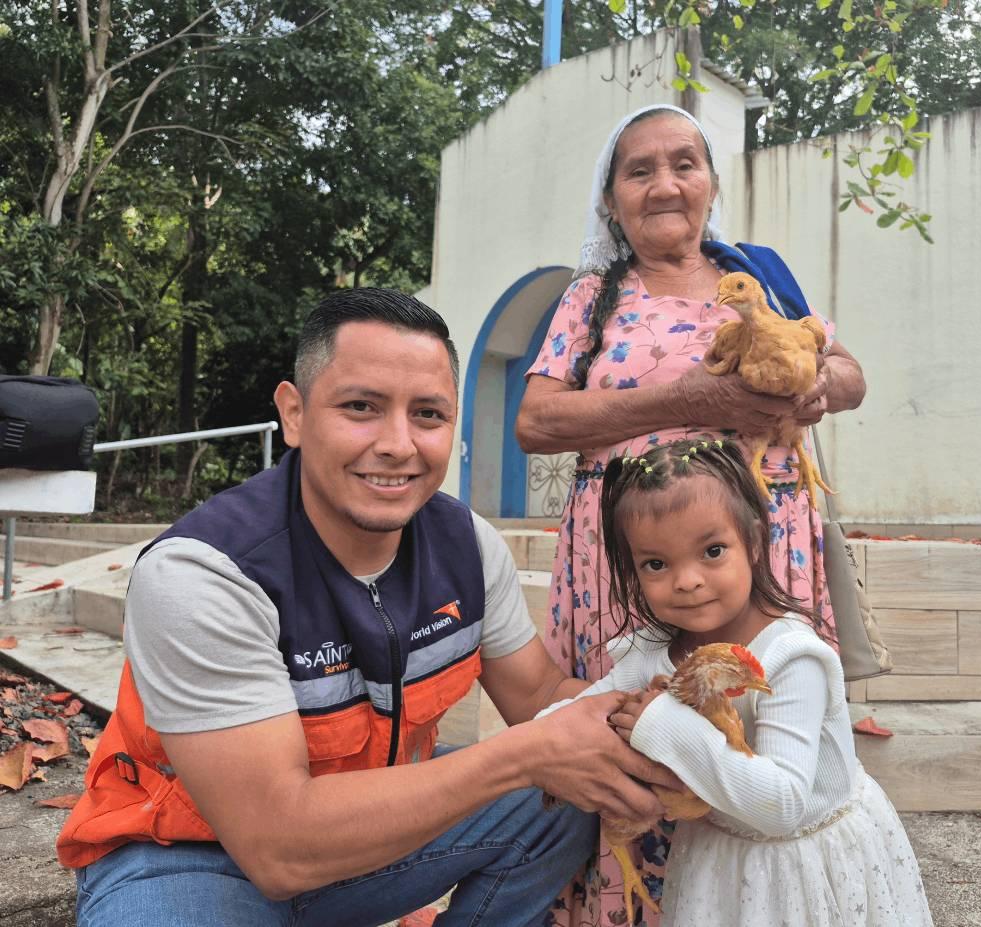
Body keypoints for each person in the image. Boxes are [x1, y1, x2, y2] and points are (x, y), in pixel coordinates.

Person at [56, 288, 685, 927]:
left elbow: (544, 696)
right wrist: (525, 754)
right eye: (361, 407)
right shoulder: (207, 573)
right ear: (294, 414)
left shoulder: (466, 547)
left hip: (365, 843)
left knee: (562, 798)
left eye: (429, 415)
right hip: (187, 857)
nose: (397, 444)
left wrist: (672, 727)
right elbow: (278, 846)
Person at [515, 104, 867, 925]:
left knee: (753, 723)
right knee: (639, 721)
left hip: (755, 544)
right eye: (640, 171)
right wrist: (686, 398)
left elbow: (849, 372)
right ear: (611, 200)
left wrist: (817, 387)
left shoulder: (761, 276)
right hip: (633, 554)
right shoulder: (591, 298)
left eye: (684, 164)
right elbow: (536, 421)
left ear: (711, 183)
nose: (665, 184)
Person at [540, 440, 933, 927]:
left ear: (753, 541)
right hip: (717, 859)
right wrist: (533, 747)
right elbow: (581, 713)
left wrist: (662, 725)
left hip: (807, 862)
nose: (686, 580)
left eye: (712, 551)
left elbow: (783, 804)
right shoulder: (651, 651)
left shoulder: (789, 657)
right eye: (656, 564)